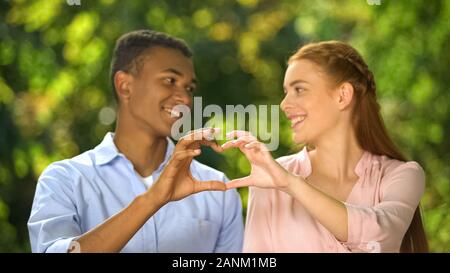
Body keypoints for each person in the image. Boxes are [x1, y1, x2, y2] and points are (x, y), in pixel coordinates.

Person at [28, 30, 244, 253]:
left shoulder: (218, 189)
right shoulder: (66, 180)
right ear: (125, 86)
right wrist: (152, 200)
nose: (185, 99)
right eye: (170, 80)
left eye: (189, 88)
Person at [222, 41, 428, 253]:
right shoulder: (270, 183)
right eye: (286, 91)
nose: (284, 104)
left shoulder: (402, 175)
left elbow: (381, 235)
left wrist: (290, 184)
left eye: (299, 89)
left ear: (342, 96)